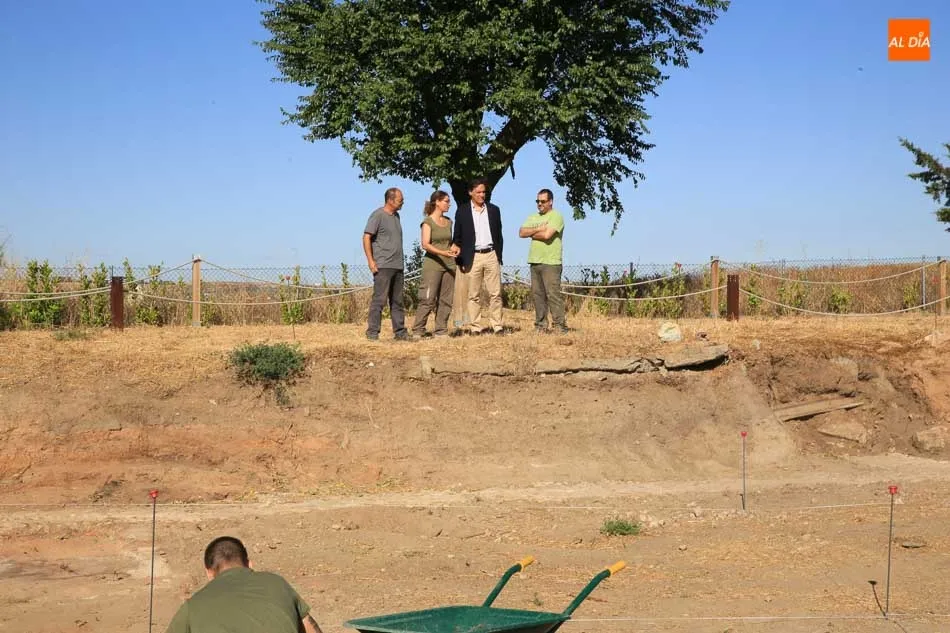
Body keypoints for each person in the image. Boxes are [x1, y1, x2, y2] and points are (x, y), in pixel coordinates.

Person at [165, 536, 323, 633]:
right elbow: (309, 627)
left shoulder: (192, 606)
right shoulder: (277, 582)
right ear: (249, 564)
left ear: (209, 573)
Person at [452, 178, 505, 335]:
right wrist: (460, 259)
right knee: (473, 295)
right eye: (479, 192)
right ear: (470, 193)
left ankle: (497, 325)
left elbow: (499, 234)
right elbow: (457, 237)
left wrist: (498, 255)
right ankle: (475, 327)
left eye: (484, 192)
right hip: (473, 256)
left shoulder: (494, 210)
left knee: (495, 293)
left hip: (491, 254)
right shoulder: (462, 211)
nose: (482, 195)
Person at [363, 187, 410, 341]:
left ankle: (400, 332)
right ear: (390, 200)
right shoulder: (377, 215)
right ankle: (372, 333)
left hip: (398, 265)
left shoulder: (396, 216)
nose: (402, 202)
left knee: (397, 301)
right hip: (383, 265)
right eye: (400, 200)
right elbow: (366, 237)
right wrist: (371, 261)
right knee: (379, 300)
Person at [411, 190, 459, 337]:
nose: (449, 204)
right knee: (428, 298)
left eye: (449, 201)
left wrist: (455, 247)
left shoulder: (449, 222)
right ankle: (418, 330)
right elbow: (425, 244)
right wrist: (442, 252)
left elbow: (450, 242)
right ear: (437, 202)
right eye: (446, 201)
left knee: (446, 299)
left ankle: (441, 330)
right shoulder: (428, 222)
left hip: (449, 265)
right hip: (433, 265)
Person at [519, 188, 568, 333]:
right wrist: (538, 229)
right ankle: (540, 326)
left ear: (551, 202)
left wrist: (532, 232)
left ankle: (560, 325)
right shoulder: (533, 217)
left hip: (551, 262)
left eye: (543, 201)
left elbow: (547, 235)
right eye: (538, 201)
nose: (539, 204)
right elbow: (521, 232)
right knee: (538, 295)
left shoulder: (556, 216)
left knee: (553, 295)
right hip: (534, 261)